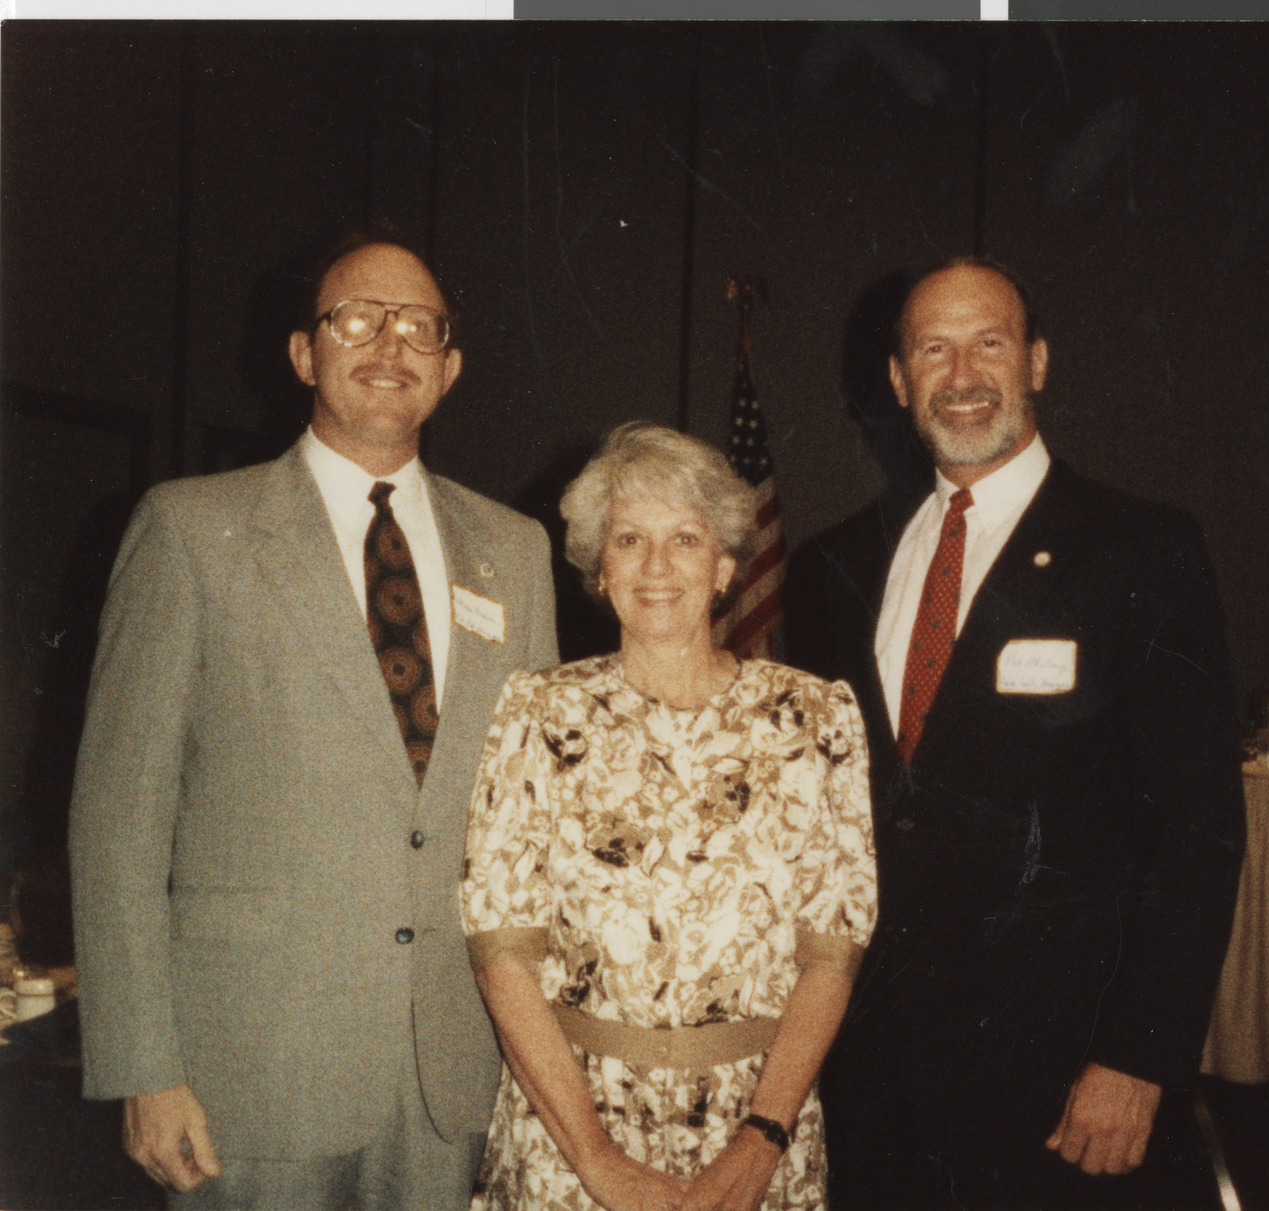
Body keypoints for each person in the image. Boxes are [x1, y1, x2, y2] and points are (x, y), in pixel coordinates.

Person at [69, 233, 558, 1209]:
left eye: (421, 325)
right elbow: (117, 819)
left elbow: (532, 823)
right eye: (356, 318)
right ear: (303, 353)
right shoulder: (190, 530)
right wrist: (142, 1063)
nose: (391, 343)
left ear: (450, 367)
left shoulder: (516, 549)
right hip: (247, 1072)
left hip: (447, 1069)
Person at [788, 258, 1246, 1209]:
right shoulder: (837, 564)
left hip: (1061, 1084)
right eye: (934, 349)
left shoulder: (1141, 548)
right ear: (898, 381)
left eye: (989, 343)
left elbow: (1199, 829)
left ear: (1035, 361)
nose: (963, 374)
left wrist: (1140, 1053)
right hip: (874, 1079)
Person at [459, 422, 877, 1211]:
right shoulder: (537, 713)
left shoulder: (814, 719)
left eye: (685, 539)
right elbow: (501, 954)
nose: (656, 567)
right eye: (629, 539)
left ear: (724, 565)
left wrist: (761, 1141)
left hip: (755, 1130)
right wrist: (597, 1160)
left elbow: (832, 953)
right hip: (567, 1142)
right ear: (599, 567)